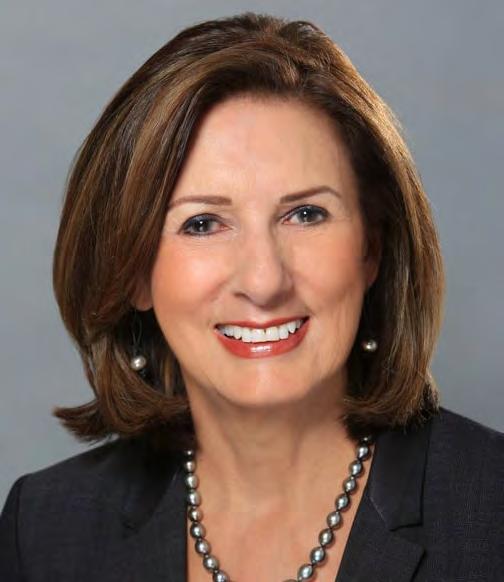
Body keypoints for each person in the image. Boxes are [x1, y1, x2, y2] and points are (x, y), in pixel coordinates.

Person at [0, 11, 502, 582]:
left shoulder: (490, 515)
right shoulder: (43, 532)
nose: (264, 282)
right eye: (203, 224)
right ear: (132, 271)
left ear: (371, 250)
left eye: (305, 214)